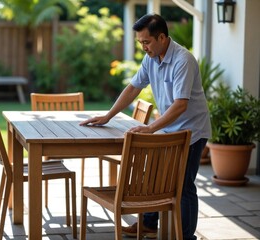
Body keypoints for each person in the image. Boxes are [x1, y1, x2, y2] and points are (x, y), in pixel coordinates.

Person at [79, 14, 211, 240]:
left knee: (183, 186)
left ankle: (187, 237)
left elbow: (180, 105)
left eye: (146, 42)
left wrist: (150, 129)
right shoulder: (151, 58)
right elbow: (133, 87)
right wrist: (109, 115)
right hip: (169, 129)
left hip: (192, 131)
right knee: (154, 177)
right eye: (140, 43)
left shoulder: (183, 60)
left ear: (162, 37)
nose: (143, 47)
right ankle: (149, 224)